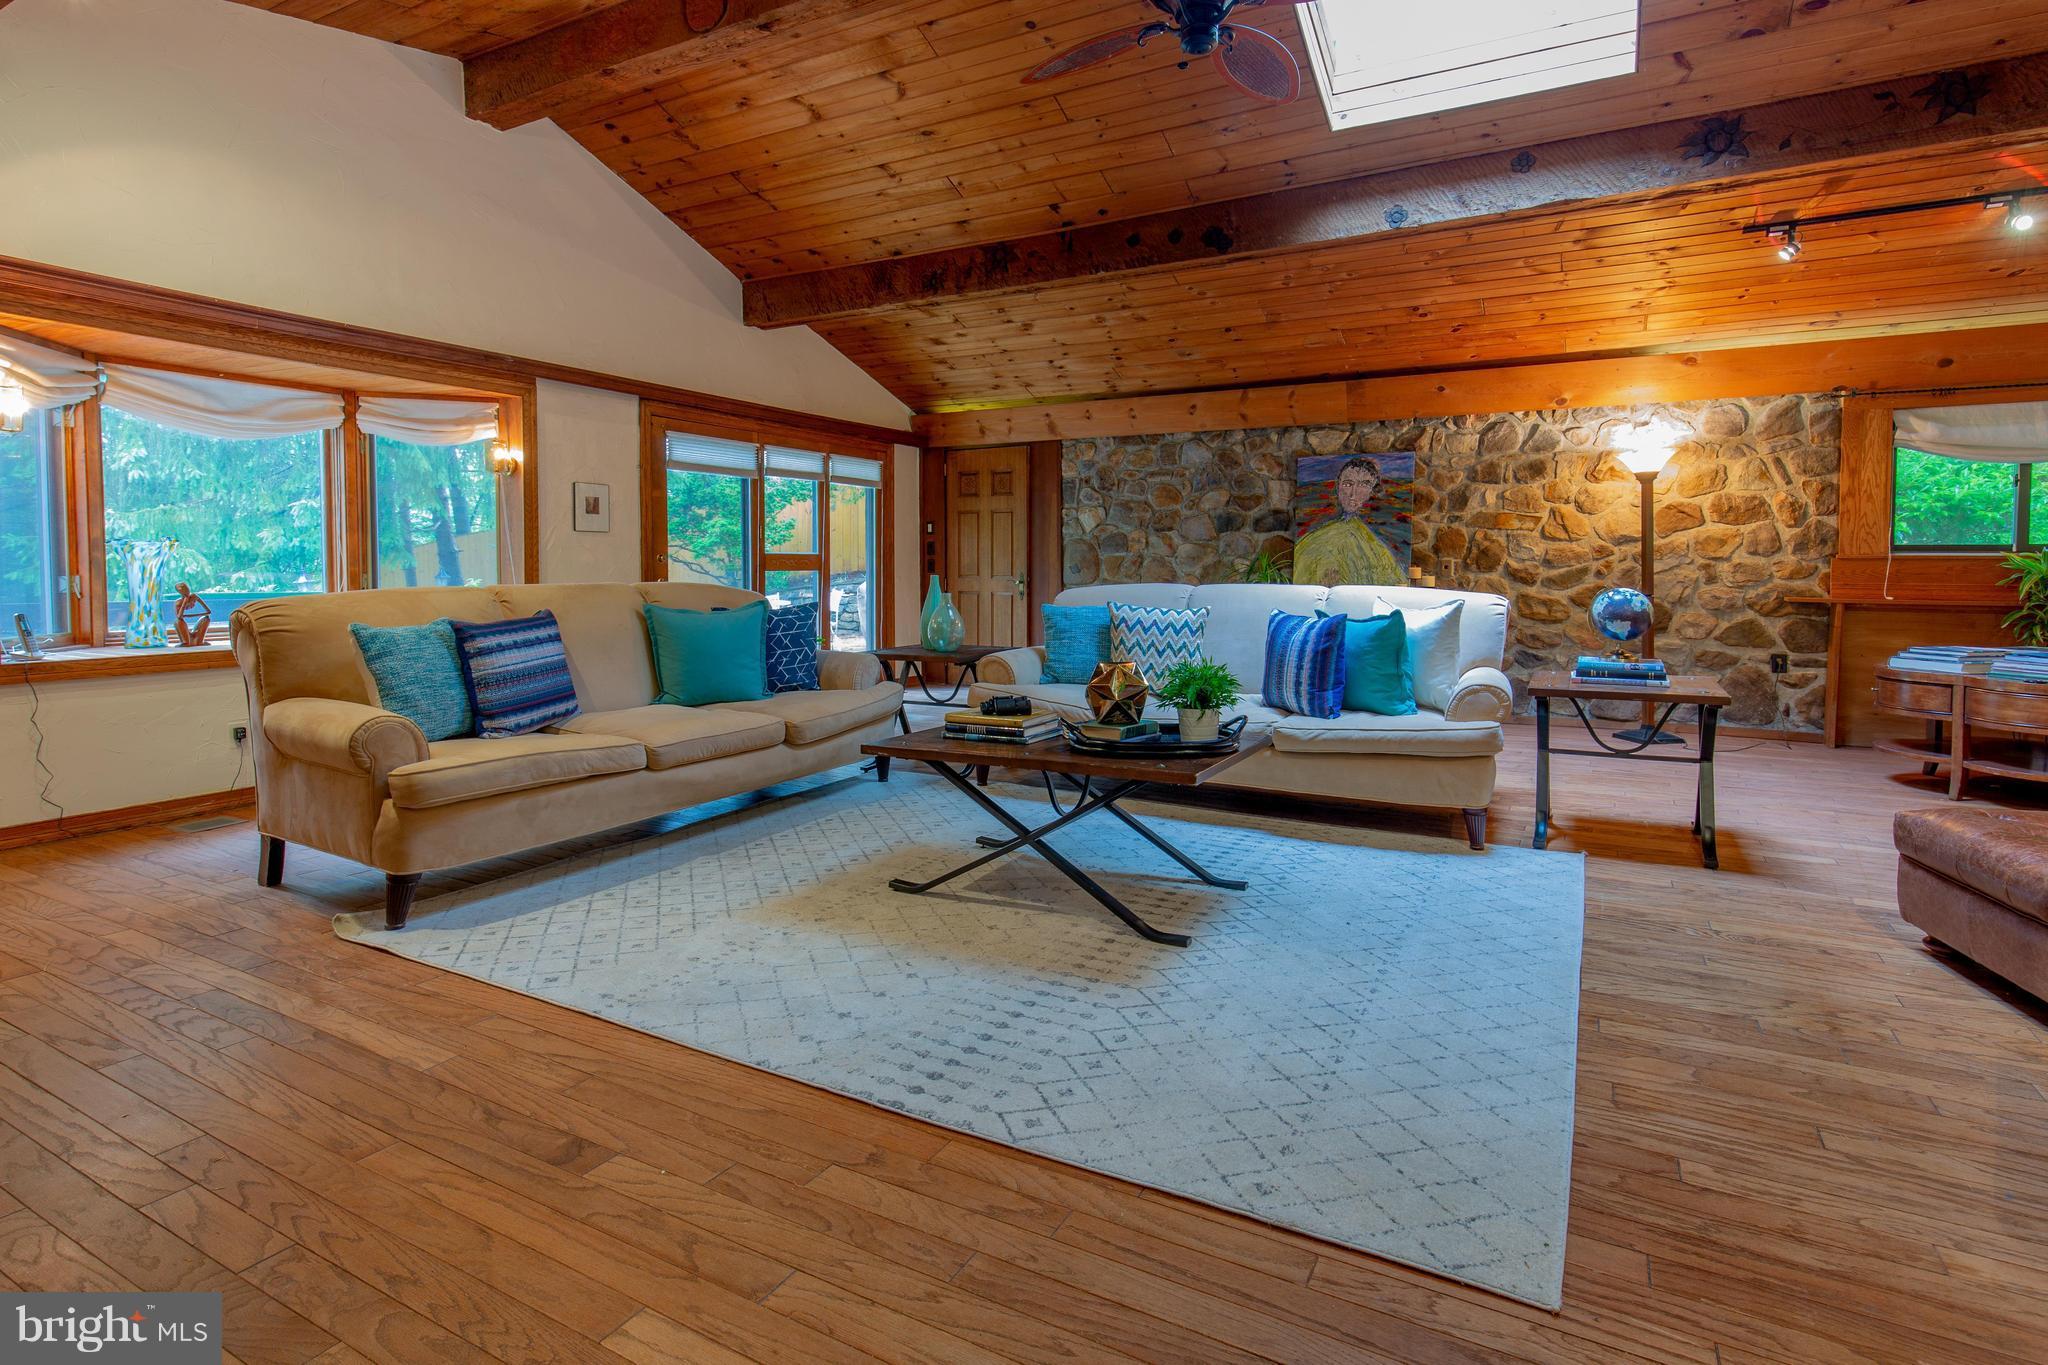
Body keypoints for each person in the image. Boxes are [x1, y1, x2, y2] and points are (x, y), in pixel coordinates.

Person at [1294, 456, 1401, 586]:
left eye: (1363, 485)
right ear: (1338, 486)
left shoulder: (1377, 549)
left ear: (1372, 491)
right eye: (1347, 484)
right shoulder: (1311, 542)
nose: (1352, 494)